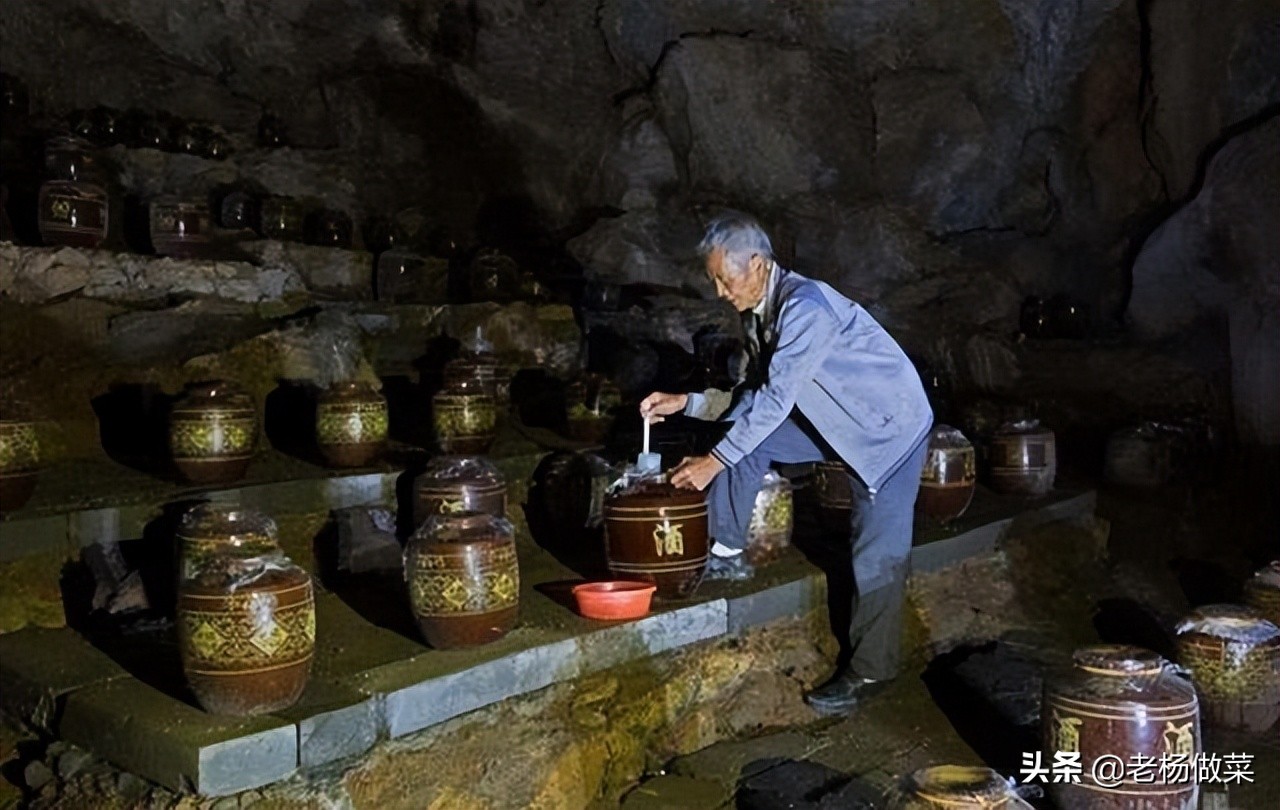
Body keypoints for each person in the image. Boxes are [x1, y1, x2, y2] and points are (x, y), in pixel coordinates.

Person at [639, 212, 933, 715]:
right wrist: (685, 402)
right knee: (746, 439)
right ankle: (728, 550)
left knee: (876, 555)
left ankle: (871, 671)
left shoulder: (806, 309)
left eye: (723, 278)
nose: (719, 292)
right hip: (834, 420)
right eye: (713, 279)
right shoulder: (761, 311)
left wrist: (712, 462)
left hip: (886, 431)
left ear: (756, 264)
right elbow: (750, 397)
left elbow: (774, 402)